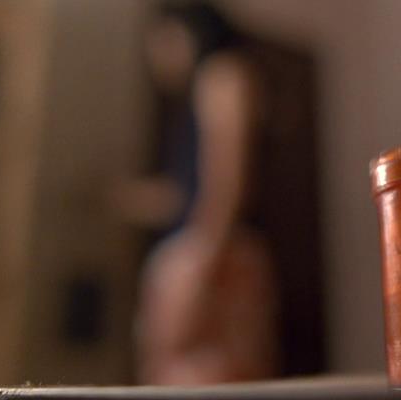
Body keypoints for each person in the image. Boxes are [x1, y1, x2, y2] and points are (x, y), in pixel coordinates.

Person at [125, 1, 278, 384]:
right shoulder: (200, 94)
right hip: (206, 247)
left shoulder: (222, 74)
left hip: (215, 251)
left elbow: (229, 178)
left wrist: (206, 265)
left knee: (203, 374)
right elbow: (190, 192)